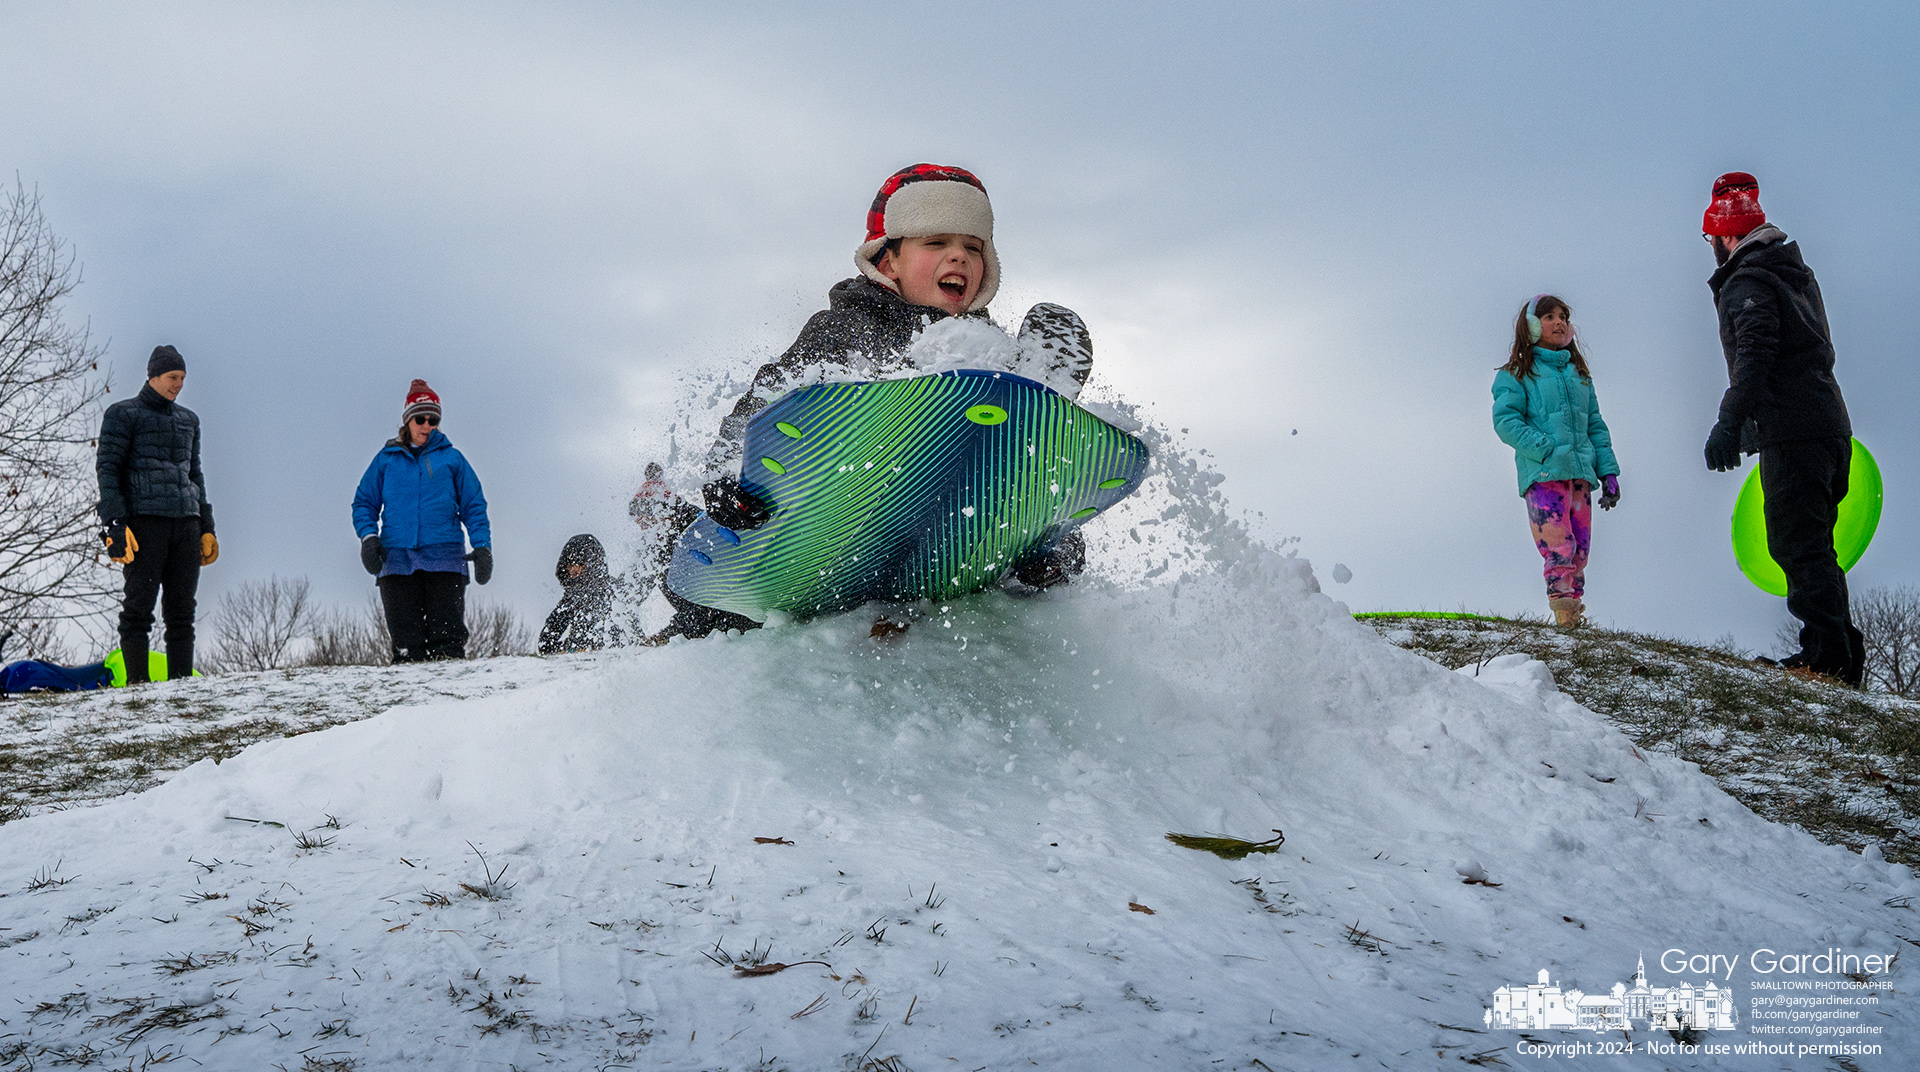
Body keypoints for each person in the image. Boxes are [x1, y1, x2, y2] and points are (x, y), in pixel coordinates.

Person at [654, 163, 1094, 642]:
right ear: (889, 263)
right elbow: (764, 401)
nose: (960, 258)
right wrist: (728, 477)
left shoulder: (992, 370)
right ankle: (700, 628)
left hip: (935, 538)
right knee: (718, 622)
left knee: (1009, 431)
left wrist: (1056, 540)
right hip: (822, 538)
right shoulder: (847, 331)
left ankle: (1030, 528)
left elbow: (1027, 473)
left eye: (973, 247)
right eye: (936, 243)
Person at [1700, 172, 1863, 685]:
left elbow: (1756, 356)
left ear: (1726, 237)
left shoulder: (1748, 281)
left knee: (1798, 544)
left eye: (1711, 240)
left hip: (1795, 432)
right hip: (1829, 426)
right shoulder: (1792, 271)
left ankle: (1830, 661)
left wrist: (1729, 423)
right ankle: (1833, 651)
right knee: (1814, 543)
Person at [1491, 296, 1621, 628]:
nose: (1559, 322)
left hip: (1579, 475)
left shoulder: (1580, 376)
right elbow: (1506, 420)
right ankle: (1563, 613)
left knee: (1580, 549)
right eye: (1549, 316)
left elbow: (1595, 425)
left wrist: (1607, 470)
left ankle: (1574, 617)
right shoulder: (1517, 374)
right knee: (1558, 545)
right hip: (1544, 474)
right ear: (1532, 325)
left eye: (1564, 316)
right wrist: (1543, 447)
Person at [96, 344, 218, 683]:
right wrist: (115, 524)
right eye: (172, 377)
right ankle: (137, 686)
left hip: (186, 523)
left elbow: (195, 474)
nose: (178, 384)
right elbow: (108, 469)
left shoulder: (189, 420)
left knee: (182, 611)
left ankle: (182, 686)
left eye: (182, 378)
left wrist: (207, 526)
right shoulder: (123, 414)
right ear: (153, 376)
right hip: (144, 521)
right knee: (139, 608)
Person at [352, 379, 492, 662]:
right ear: (407, 421)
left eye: (433, 420)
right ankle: (410, 703)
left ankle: (451, 702)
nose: (427, 426)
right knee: (407, 647)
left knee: (447, 644)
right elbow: (364, 503)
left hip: (444, 559)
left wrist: (482, 547)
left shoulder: (452, 459)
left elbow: (473, 505)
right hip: (397, 562)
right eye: (420, 419)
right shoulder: (386, 460)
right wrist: (369, 539)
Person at [538, 534, 635, 654]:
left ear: (592, 564)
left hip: (615, 659)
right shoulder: (572, 597)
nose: (573, 569)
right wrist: (568, 647)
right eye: (569, 564)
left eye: (579, 564)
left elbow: (626, 633)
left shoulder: (613, 591)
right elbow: (545, 643)